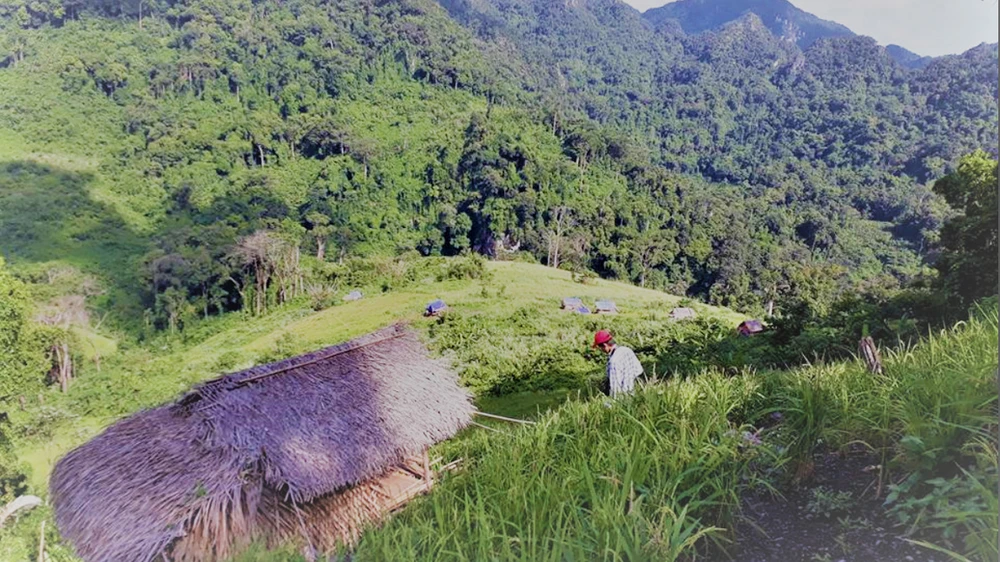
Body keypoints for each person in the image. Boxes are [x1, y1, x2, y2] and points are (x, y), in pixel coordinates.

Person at [593, 330, 643, 397]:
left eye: (600, 348)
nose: (601, 350)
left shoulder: (614, 361)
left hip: (625, 398)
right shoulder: (627, 350)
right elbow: (639, 370)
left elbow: (615, 388)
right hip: (637, 392)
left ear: (605, 345)